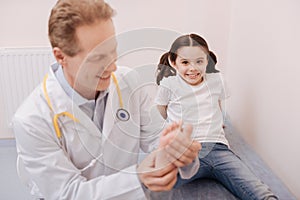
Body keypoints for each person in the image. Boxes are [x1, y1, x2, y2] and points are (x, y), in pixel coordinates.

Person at [12, 1, 201, 199]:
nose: (111, 67)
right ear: (61, 56)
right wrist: (138, 178)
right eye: (96, 58)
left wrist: (178, 150)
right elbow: (68, 193)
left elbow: (157, 140)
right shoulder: (31, 120)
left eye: (113, 50)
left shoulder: (129, 82)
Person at [155, 33, 278, 199]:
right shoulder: (169, 84)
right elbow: (162, 109)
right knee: (157, 182)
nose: (193, 68)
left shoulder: (217, 80)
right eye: (185, 62)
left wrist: (218, 122)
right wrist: (172, 126)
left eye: (199, 61)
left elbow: (217, 105)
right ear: (173, 62)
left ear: (207, 61)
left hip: (219, 150)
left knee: (259, 191)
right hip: (186, 150)